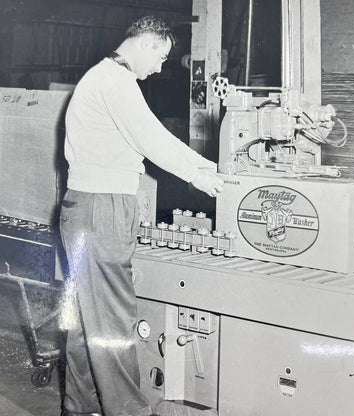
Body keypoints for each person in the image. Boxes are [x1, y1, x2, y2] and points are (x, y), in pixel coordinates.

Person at [59, 16, 224, 416]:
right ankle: (129, 411)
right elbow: (151, 138)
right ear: (148, 43)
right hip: (103, 209)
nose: (161, 67)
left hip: (83, 206)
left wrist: (201, 168)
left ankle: (79, 407)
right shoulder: (117, 81)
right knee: (114, 321)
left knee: (87, 320)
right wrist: (204, 173)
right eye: (162, 56)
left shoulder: (99, 77)